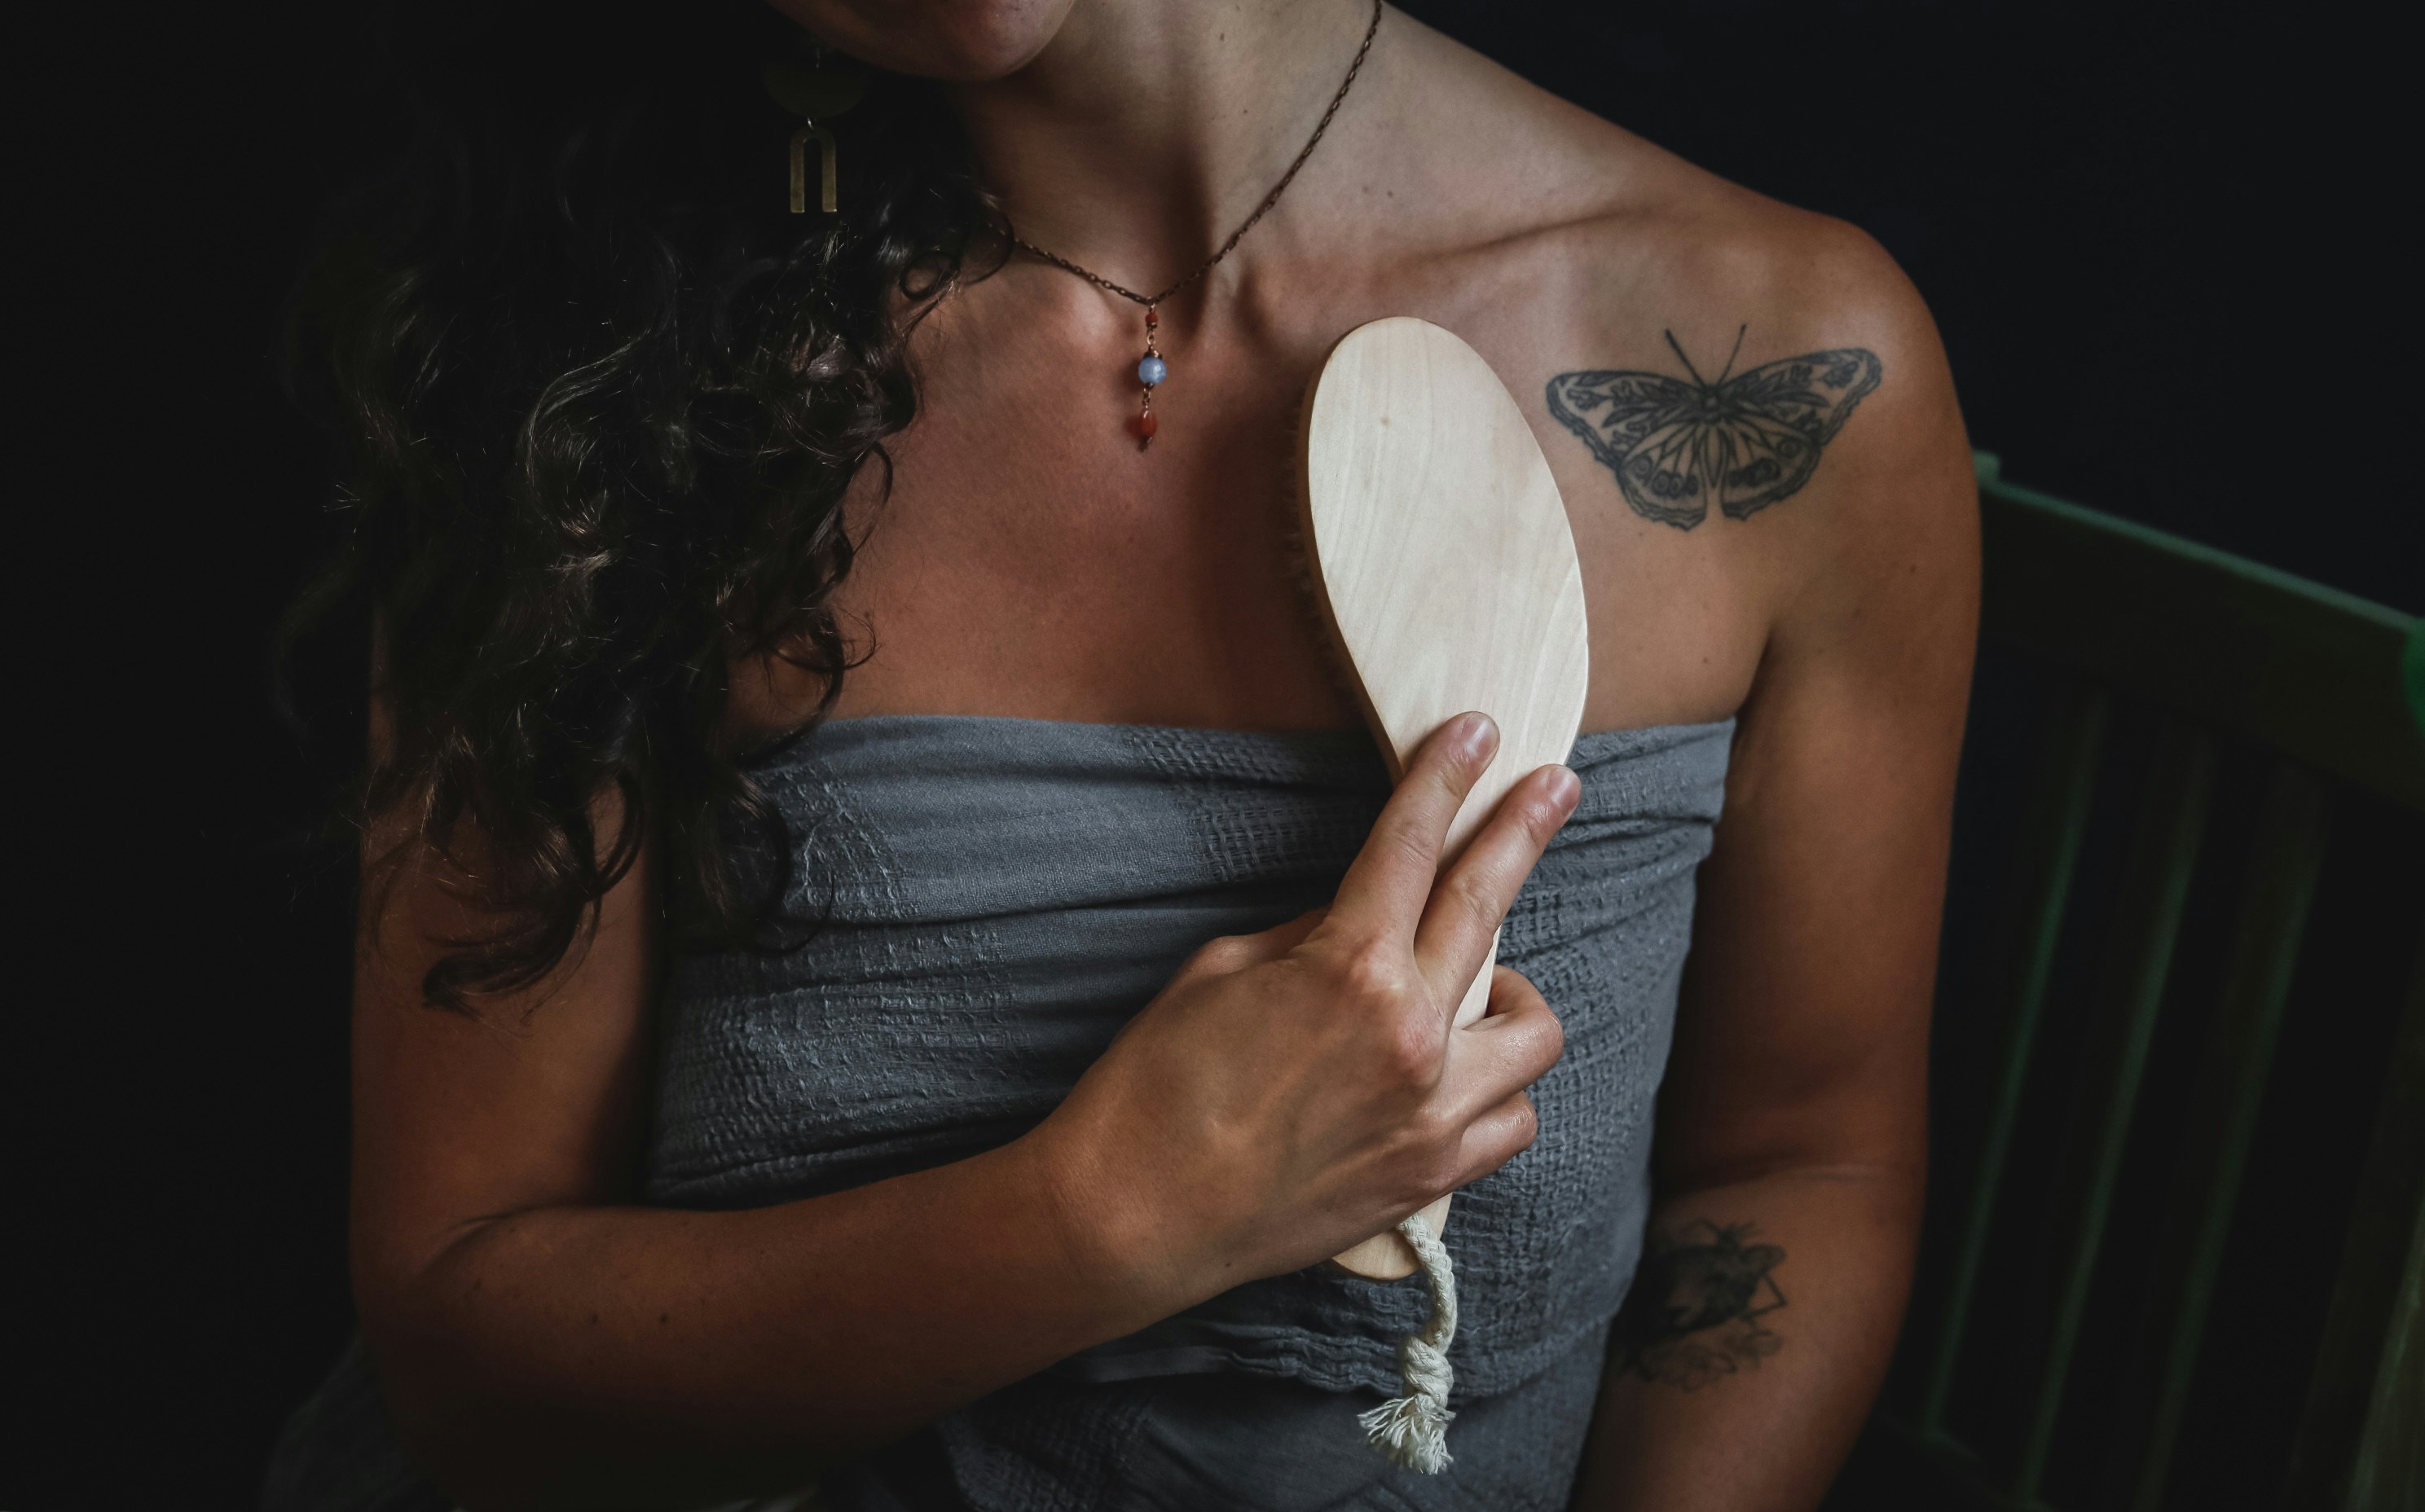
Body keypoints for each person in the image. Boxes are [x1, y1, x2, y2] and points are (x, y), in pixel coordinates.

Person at [264, 0, 1976, 1507]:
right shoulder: (592, 382)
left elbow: (1799, 1166)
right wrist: (1105, 1219)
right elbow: (470, 1358)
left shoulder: (1779, 361)